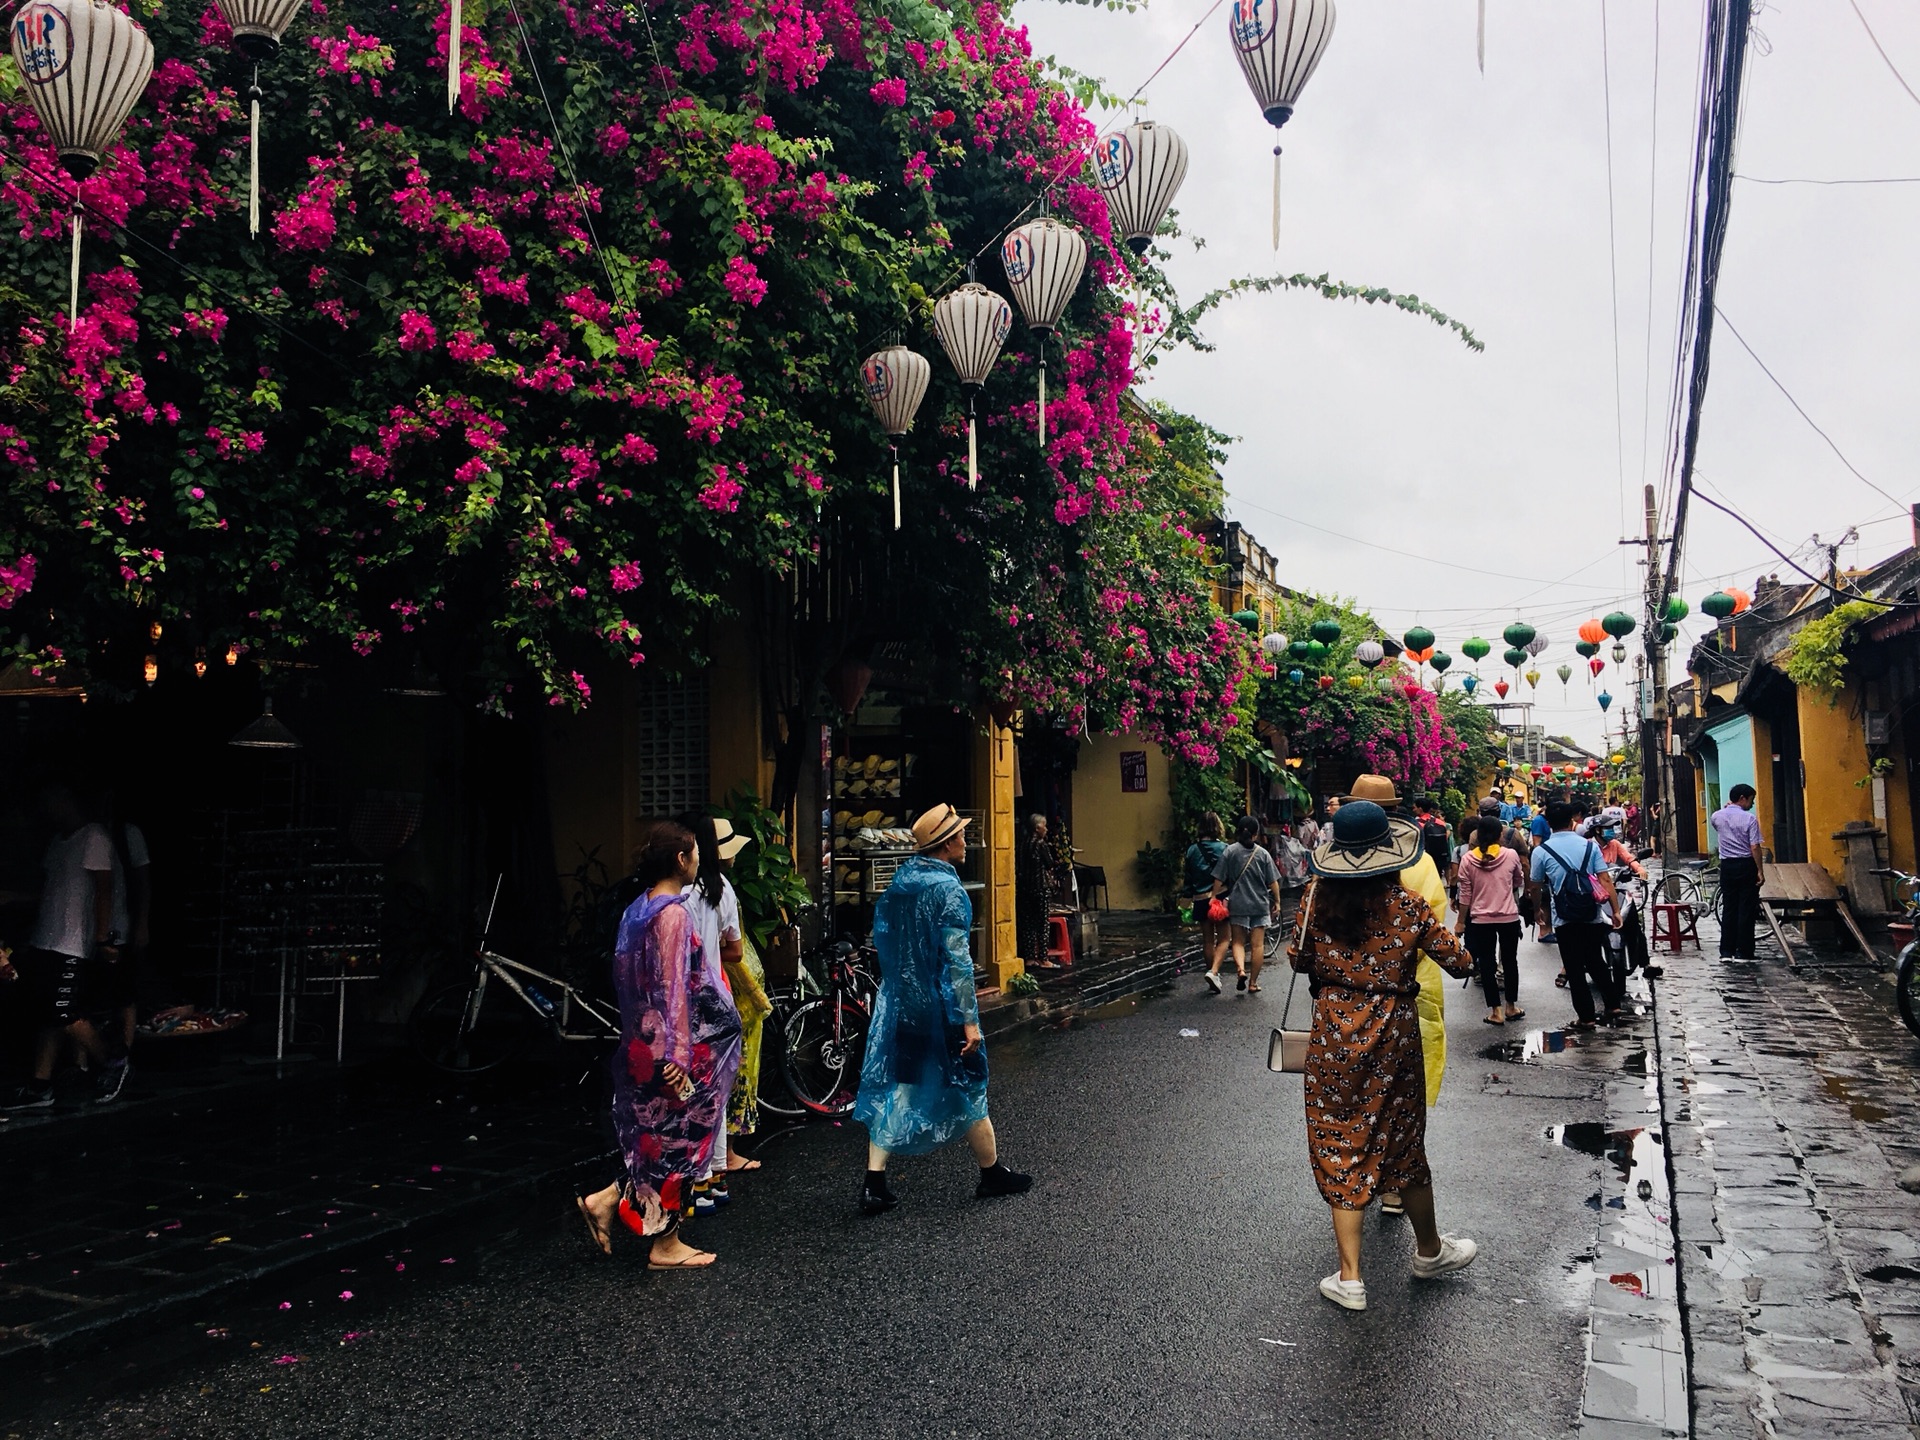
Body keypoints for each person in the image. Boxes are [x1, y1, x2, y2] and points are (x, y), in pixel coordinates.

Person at [1290, 801, 1479, 1312]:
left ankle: (1350, 1278)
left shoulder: (1314, 900)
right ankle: (1429, 1251)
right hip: (1393, 1034)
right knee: (1400, 1134)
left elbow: (1298, 958)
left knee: (1338, 1134)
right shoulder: (1409, 906)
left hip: (1332, 1031)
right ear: (1389, 856)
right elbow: (1460, 962)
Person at [576, 821, 742, 1269]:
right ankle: (665, 1244)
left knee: (657, 1137)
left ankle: (608, 1199)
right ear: (680, 860)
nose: (699, 861)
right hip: (673, 1052)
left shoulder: (639, 908)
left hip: (645, 1043)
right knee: (680, 1140)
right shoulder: (672, 914)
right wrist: (679, 1058)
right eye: (694, 853)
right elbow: (674, 990)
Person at [856, 804, 1031, 1214]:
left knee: (902, 1084)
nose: (965, 839)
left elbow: (887, 940)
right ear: (946, 843)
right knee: (970, 1082)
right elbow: (958, 963)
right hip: (943, 1006)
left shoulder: (901, 883)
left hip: (906, 1003)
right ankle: (991, 1173)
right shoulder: (949, 891)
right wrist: (970, 1021)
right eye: (960, 834)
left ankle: (874, 1180)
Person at [4, 784, 128, 1109]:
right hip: (46, 939)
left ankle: (111, 1060)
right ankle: (40, 1084)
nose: (45, 809)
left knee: (63, 1011)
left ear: (67, 800)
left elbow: (104, 890)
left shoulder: (94, 837)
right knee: (47, 1013)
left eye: (50, 800)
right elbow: (50, 889)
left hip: (72, 943)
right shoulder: (59, 842)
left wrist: (103, 939)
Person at [676, 812, 755, 1209]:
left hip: (687, 1002)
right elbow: (736, 950)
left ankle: (698, 1182)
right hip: (719, 998)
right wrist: (710, 955)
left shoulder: (678, 895)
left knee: (687, 1094)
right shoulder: (721, 887)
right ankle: (716, 1178)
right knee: (715, 1091)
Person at [1529, 801, 1623, 1030]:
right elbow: (1605, 879)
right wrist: (1616, 910)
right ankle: (1613, 1005)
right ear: (1572, 821)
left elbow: (1535, 886)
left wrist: (1536, 910)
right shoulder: (1590, 847)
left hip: (1563, 917)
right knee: (1595, 960)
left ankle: (1587, 1017)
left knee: (1574, 966)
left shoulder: (1541, 852)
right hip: (1591, 912)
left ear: (1549, 824)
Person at [1454, 818, 1526, 1025]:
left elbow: (1465, 895)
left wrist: (1461, 921)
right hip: (1508, 917)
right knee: (1510, 961)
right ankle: (1511, 1007)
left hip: (1480, 919)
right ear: (1499, 835)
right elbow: (1518, 881)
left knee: (1486, 964)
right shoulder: (1511, 855)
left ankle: (1496, 1011)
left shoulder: (1467, 859)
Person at [1207, 815, 1282, 995]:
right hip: (1259, 904)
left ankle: (1241, 970)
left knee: (1238, 942)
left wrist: (1213, 896)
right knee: (1257, 945)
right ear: (1256, 834)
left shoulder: (1230, 851)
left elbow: (1218, 877)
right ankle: (1253, 983)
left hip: (1238, 903)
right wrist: (1278, 902)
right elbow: (1273, 882)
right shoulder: (1263, 854)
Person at [1708, 784, 1765, 960]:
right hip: (1746, 864)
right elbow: (1754, 846)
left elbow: (1720, 827)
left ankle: (1726, 950)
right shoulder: (1750, 819)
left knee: (1729, 908)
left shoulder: (1716, 816)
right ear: (1742, 798)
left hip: (1727, 866)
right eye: (1751, 800)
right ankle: (1744, 951)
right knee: (1746, 909)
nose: (1752, 804)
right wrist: (1760, 870)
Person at [1182, 813, 1229, 983]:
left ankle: (1212, 972)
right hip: (1221, 897)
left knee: (1208, 940)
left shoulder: (1192, 850)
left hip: (1200, 898)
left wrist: (1186, 897)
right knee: (1224, 938)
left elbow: (1188, 878)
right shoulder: (1224, 848)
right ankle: (1214, 973)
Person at [1017, 813, 1061, 970]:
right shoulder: (1040, 844)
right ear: (1037, 828)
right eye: (1045, 826)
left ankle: (1029, 957)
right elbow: (1049, 863)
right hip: (1040, 887)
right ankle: (1043, 958)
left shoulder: (1023, 843)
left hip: (1025, 888)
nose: (1047, 829)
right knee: (1042, 923)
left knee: (1028, 923)